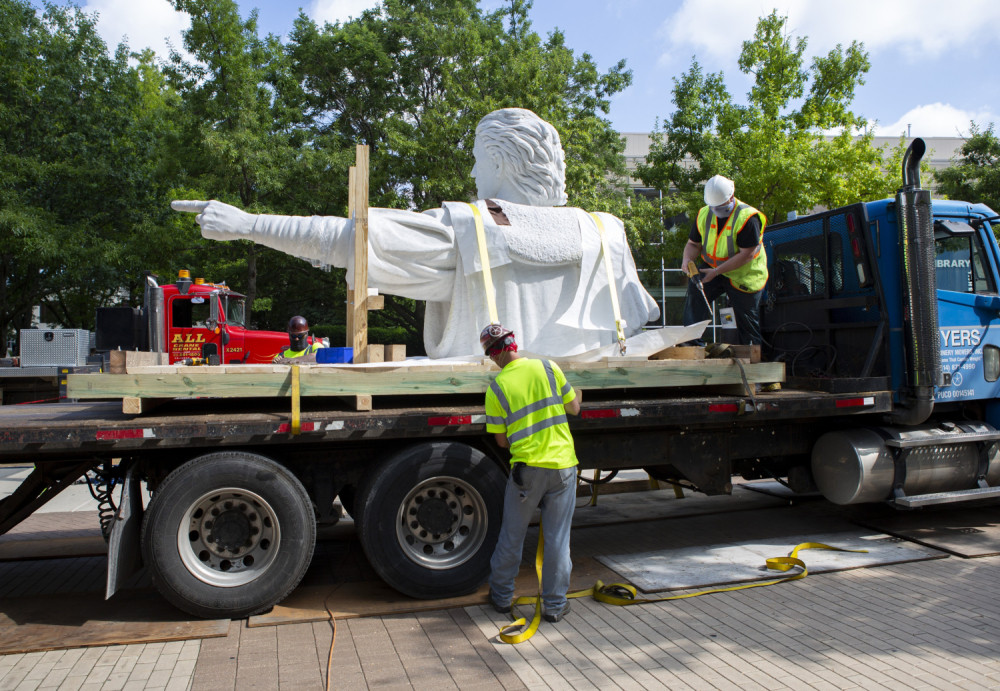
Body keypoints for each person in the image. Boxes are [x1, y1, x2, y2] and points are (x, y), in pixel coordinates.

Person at [172, 108, 659, 359]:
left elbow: (349, 241)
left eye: (475, 158)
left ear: (500, 163)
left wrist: (249, 225)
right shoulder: (606, 231)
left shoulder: (472, 227)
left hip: (494, 393)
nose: (471, 168)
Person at [481, 323, 580, 623]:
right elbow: (574, 408)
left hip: (527, 472)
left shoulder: (496, 388)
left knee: (512, 536)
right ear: (514, 344)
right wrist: (579, 393)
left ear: (492, 355)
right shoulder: (548, 368)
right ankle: (554, 605)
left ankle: (500, 598)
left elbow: (501, 440)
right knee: (557, 540)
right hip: (563, 467)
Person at [681, 174, 768, 346]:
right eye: (713, 206)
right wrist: (687, 260)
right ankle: (691, 344)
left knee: (746, 321)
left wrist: (716, 272)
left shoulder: (748, 219)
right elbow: (693, 244)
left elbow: (747, 254)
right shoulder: (704, 214)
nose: (716, 210)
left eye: (720, 206)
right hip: (713, 269)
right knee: (696, 290)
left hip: (745, 274)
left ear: (731, 198)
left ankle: (751, 356)